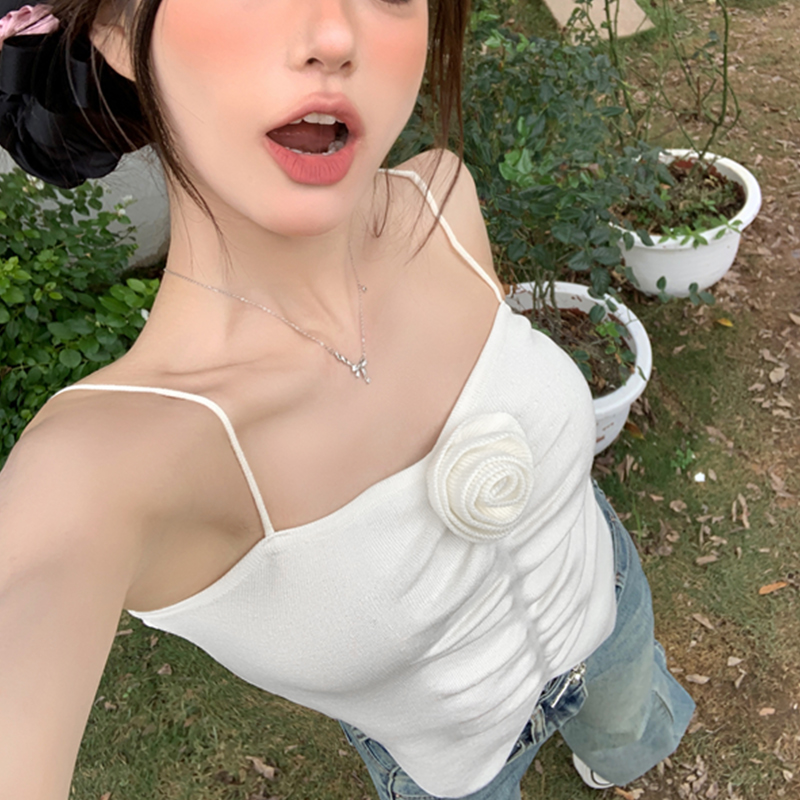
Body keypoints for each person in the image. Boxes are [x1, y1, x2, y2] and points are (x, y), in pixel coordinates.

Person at [0, 1, 695, 798]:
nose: (334, 35)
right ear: (115, 30)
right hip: (454, 769)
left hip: (610, 608)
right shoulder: (107, 471)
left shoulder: (442, 200)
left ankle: (615, 758)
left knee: (630, 737)